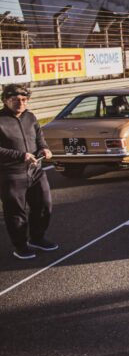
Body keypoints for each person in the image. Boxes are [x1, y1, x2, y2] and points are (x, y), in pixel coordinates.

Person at [0, 84, 56, 259]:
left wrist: (44, 150)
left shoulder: (30, 117)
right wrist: (20, 156)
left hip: (36, 171)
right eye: (15, 100)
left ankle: (37, 238)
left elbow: (40, 139)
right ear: (5, 100)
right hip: (11, 174)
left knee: (44, 205)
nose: (21, 103)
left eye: (24, 100)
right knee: (16, 213)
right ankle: (21, 246)